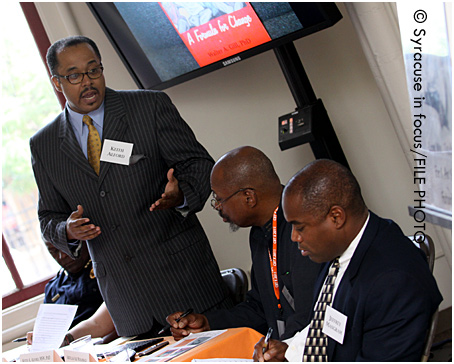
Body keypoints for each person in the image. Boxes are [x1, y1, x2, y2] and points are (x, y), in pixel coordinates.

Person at [29, 35, 232, 338]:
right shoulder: (43, 145)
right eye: (74, 76)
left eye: (94, 70)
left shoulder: (149, 107)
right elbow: (48, 217)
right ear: (57, 82)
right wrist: (68, 230)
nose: (88, 82)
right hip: (128, 306)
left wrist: (180, 196)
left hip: (187, 283)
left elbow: (200, 166)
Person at [253, 159, 443, 362]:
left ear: (336, 217)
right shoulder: (341, 250)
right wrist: (289, 350)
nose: (294, 238)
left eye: (300, 227)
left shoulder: (393, 282)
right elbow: (326, 325)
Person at [167, 146, 320, 341]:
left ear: (249, 197)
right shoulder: (259, 232)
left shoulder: (302, 227)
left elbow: (313, 314)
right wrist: (208, 323)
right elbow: (260, 308)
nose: (218, 207)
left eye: (220, 199)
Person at [44, 240, 103, 328]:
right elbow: (48, 329)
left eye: (67, 247)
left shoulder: (103, 271)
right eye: (54, 251)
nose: (62, 255)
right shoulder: (52, 289)